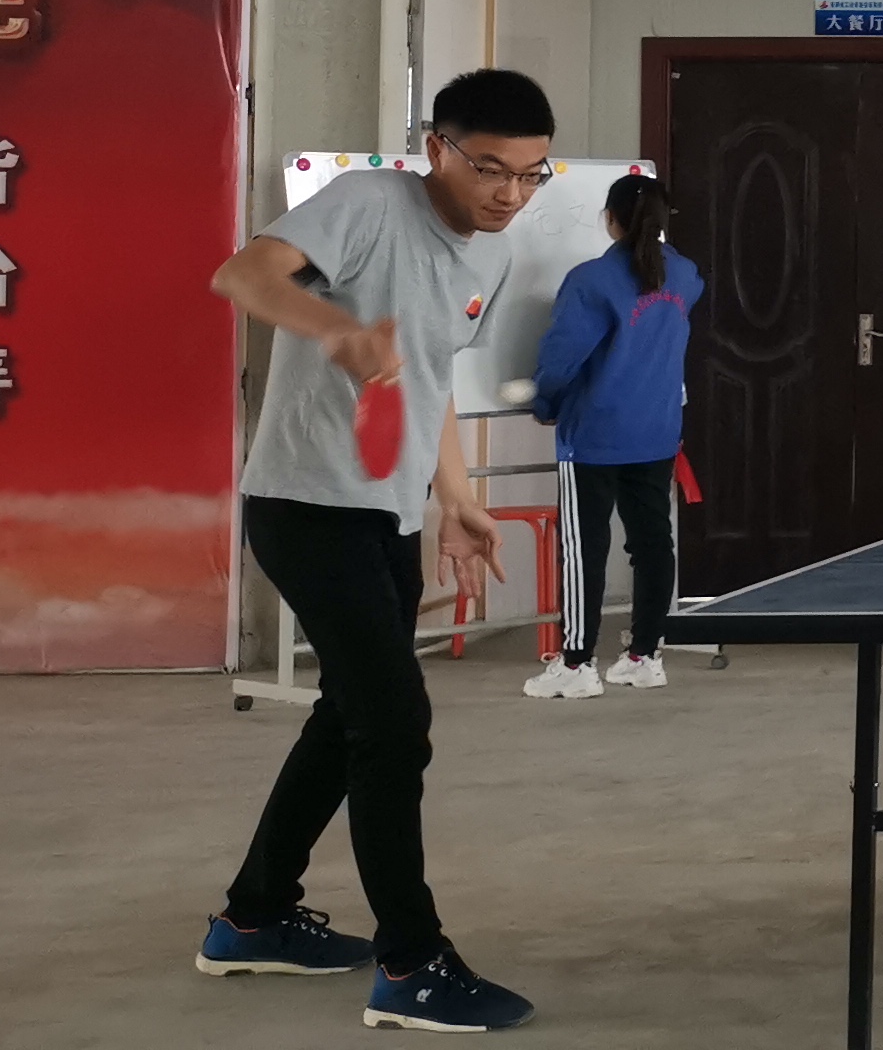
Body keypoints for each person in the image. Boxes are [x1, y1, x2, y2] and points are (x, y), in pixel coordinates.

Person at [195, 69, 546, 1032]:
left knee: (348, 714)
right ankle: (412, 964)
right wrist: (339, 331)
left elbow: (429, 381)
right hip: (308, 507)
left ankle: (254, 918)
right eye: (490, 169)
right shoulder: (367, 204)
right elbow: (243, 275)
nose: (510, 194)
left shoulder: (490, 255)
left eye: (531, 175)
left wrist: (458, 500)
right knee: (393, 724)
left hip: (388, 514)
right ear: (437, 148)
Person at [520, 173, 704, 699]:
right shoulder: (685, 276)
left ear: (610, 219)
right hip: (658, 430)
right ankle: (645, 656)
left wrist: (545, 403)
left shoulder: (591, 281)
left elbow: (561, 355)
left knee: (584, 548)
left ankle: (577, 664)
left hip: (594, 434)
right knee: (652, 543)